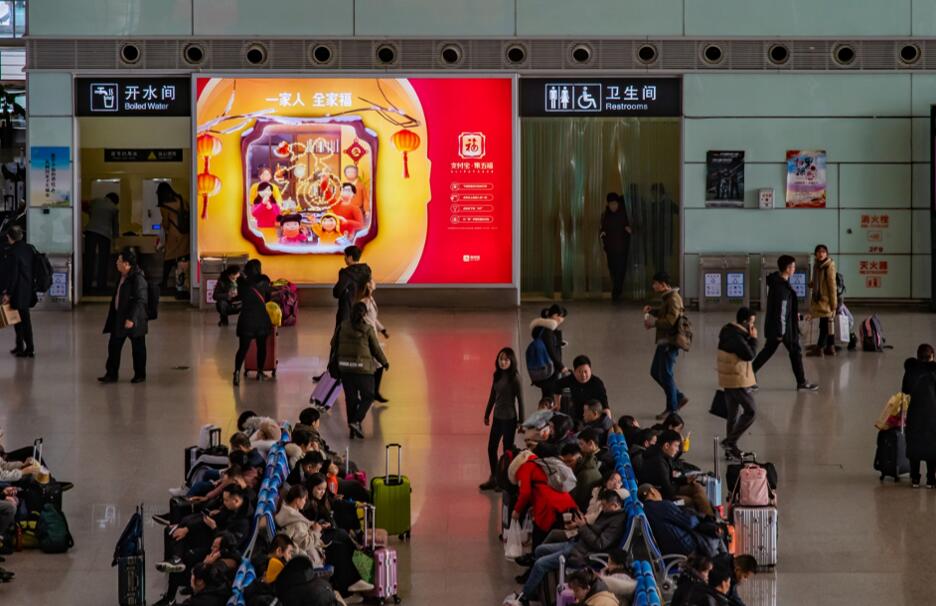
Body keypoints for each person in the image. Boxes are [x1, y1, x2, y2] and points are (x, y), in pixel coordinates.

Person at [510, 490, 626, 605]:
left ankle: (525, 597)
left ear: (615, 505)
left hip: (582, 553)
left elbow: (600, 544)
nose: (603, 509)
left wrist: (583, 527)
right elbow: (595, 531)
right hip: (578, 544)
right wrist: (582, 525)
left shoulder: (616, 523)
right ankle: (535, 587)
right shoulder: (608, 514)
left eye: (605, 506)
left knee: (540, 564)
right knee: (540, 550)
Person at [752, 255, 818, 391]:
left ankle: (749, 375)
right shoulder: (781, 287)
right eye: (793, 266)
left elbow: (784, 308)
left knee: (772, 351)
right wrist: (780, 333)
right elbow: (781, 311)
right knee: (794, 351)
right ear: (787, 268)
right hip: (783, 328)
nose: (794, 269)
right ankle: (801, 382)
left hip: (780, 325)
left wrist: (795, 315)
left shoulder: (778, 282)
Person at [332, 301, 388, 439]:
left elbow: (333, 344)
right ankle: (356, 421)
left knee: (351, 399)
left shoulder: (342, 327)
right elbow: (376, 349)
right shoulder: (367, 329)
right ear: (364, 314)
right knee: (368, 396)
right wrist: (384, 362)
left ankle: (353, 429)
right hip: (363, 369)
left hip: (345, 368)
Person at [98, 249, 149, 384]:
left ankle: (140, 374)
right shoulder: (122, 276)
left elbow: (140, 300)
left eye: (119, 261)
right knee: (114, 346)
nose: (116, 263)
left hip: (135, 320)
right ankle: (111, 374)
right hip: (119, 318)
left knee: (138, 348)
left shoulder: (138, 278)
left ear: (126, 264)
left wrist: (132, 318)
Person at [643, 271, 688, 420]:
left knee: (666, 373)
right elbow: (666, 314)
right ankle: (678, 397)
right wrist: (653, 311)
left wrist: (653, 323)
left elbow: (670, 321)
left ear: (663, 284)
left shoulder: (673, 298)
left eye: (655, 283)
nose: (653, 286)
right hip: (664, 341)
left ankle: (672, 408)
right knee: (656, 372)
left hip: (670, 341)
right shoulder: (668, 297)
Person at [637, 431, 714, 517]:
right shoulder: (659, 462)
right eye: (676, 446)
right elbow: (668, 490)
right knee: (691, 501)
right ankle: (710, 519)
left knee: (696, 487)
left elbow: (669, 479)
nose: (677, 449)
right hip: (661, 496)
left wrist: (685, 480)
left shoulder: (662, 456)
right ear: (666, 445)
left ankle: (710, 518)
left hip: (664, 490)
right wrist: (682, 484)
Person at [480, 347, 525, 491]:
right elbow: (492, 395)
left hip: (510, 418)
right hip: (497, 417)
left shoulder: (515, 378)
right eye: (501, 359)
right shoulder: (497, 375)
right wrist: (487, 413)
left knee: (507, 450)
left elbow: (520, 400)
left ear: (511, 361)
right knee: (491, 448)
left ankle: (504, 480)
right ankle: (494, 477)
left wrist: (521, 421)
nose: (503, 362)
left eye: (506, 359)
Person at [717, 307, 758, 460]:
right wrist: (753, 338)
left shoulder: (730, 331)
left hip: (729, 378)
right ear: (745, 322)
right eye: (752, 322)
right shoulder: (736, 337)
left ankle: (730, 450)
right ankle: (729, 442)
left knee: (733, 415)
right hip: (737, 379)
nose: (753, 326)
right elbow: (749, 354)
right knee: (751, 411)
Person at [638, 484, 710, 557]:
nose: (659, 493)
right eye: (657, 490)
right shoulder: (663, 505)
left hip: (669, 553)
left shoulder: (645, 510)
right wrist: (701, 516)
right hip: (687, 548)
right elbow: (689, 522)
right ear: (652, 491)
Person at [232, 259, 272, 385]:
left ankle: (237, 372)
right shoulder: (264, 281)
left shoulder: (242, 282)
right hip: (261, 319)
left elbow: (240, 297)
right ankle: (260, 372)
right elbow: (268, 298)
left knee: (243, 348)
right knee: (261, 347)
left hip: (246, 319)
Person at [903, 344, 936, 488]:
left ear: (917, 356)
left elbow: (905, 390)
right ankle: (931, 479)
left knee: (914, 444)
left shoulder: (911, 370)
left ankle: (915, 478)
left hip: (914, 412)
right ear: (932, 356)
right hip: (932, 413)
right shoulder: (934, 371)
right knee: (932, 445)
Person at [1, 226, 35, 358]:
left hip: (17, 290)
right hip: (27, 288)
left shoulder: (13, 252)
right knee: (20, 319)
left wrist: (8, 293)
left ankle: (29, 348)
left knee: (22, 320)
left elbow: (13, 274)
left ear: (9, 237)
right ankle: (20, 346)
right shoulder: (29, 248)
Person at [274, 485, 325, 566]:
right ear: (297, 500)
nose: (305, 502)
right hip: (303, 559)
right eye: (304, 499)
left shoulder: (286, 512)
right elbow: (305, 544)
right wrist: (316, 531)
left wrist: (312, 525)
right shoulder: (296, 522)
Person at [156, 182, 190, 294]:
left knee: (168, 258)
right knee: (182, 259)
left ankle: (164, 282)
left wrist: (162, 226)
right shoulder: (181, 199)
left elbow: (166, 224)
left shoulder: (164, 206)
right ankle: (183, 284)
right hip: (185, 234)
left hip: (174, 235)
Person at [360, 279, 390, 403]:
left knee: (376, 364)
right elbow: (363, 319)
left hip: (372, 335)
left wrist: (382, 330)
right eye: (372, 281)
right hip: (368, 337)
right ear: (368, 286)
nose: (374, 282)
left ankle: (373, 391)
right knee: (378, 363)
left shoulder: (371, 300)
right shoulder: (364, 302)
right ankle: (372, 392)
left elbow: (373, 319)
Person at [529, 305, 568, 401]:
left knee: (547, 395)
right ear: (555, 315)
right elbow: (550, 350)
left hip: (545, 367)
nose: (562, 320)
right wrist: (561, 366)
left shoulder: (545, 329)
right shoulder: (548, 331)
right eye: (561, 316)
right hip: (550, 369)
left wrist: (559, 343)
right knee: (549, 396)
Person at [82, 192, 119, 292]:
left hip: (91, 232)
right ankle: (101, 285)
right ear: (115, 201)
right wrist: (115, 241)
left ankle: (87, 284)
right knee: (103, 260)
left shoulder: (95, 201)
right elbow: (115, 226)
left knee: (89, 258)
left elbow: (86, 208)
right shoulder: (114, 208)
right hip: (105, 234)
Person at [806, 244, 838, 357]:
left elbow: (832, 286)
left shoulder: (828, 266)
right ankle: (830, 347)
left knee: (824, 325)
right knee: (828, 324)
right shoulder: (817, 265)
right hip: (820, 299)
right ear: (815, 254)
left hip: (826, 300)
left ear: (827, 254)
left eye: (823, 252)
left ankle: (820, 348)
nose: (821, 254)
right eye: (819, 252)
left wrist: (834, 303)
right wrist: (812, 284)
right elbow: (818, 280)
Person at [600, 192, 632, 303]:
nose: (612, 206)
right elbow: (603, 228)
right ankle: (616, 292)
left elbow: (632, 228)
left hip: (622, 249)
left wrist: (629, 230)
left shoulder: (624, 214)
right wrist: (602, 234)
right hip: (610, 249)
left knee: (620, 271)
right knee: (613, 270)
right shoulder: (606, 215)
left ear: (618, 203)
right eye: (610, 204)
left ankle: (616, 293)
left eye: (614, 204)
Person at [557, 355, 609, 422]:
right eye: (580, 372)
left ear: (590, 370)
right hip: (573, 415)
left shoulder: (597, 383)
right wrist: (558, 404)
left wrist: (608, 423)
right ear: (574, 371)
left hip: (591, 418)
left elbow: (605, 406)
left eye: (585, 371)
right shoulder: (569, 379)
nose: (583, 375)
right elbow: (557, 387)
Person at [332, 245, 372, 329]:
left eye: (345, 256)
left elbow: (337, 292)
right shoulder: (366, 270)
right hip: (363, 308)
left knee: (343, 333)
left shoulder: (346, 273)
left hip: (346, 310)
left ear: (350, 257)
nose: (344, 259)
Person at [560, 443, 601, 511]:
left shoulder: (584, 474)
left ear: (580, 459)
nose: (567, 465)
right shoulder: (585, 469)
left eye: (570, 461)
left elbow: (577, 501)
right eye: (564, 462)